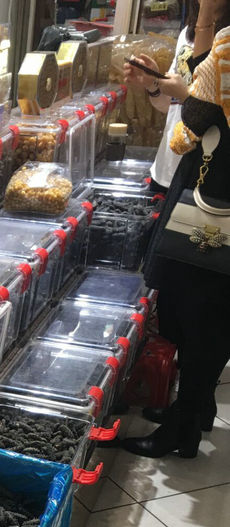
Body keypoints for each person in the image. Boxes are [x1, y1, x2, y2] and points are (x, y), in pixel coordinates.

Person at [124, 7, 230, 459]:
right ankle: (194, 410)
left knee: (198, 312)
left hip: (214, 197)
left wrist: (182, 92)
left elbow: (187, 130)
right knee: (210, 313)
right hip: (216, 192)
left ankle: (182, 429)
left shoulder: (227, 43)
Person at [124, 0, 230, 192]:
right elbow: (169, 107)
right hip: (166, 169)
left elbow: (217, 118)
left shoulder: (225, 42)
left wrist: (184, 95)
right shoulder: (187, 35)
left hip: (205, 175)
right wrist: (153, 83)